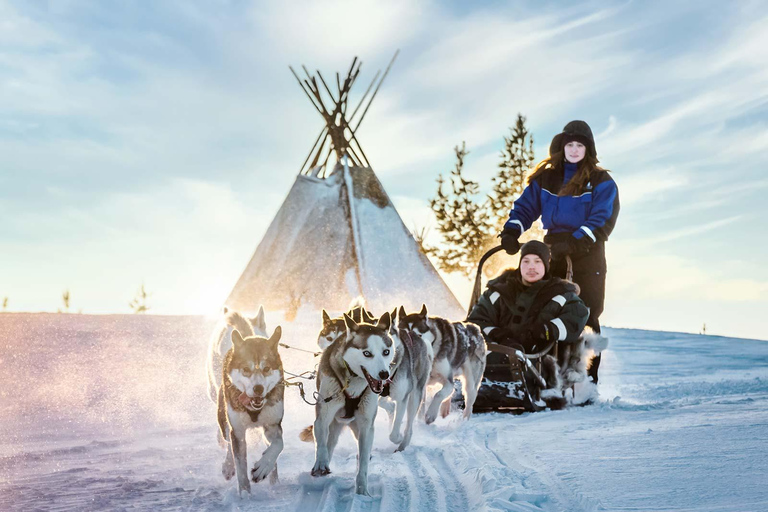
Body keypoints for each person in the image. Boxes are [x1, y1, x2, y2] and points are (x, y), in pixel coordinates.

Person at [498, 120, 619, 383]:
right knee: (544, 308)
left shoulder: (600, 181)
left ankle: (585, 381)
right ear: (561, 147)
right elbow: (526, 207)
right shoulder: (547, 178)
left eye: (580, 145)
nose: (574, 150)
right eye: (570, 144)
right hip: (553, 249)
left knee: (586, 310)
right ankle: (543, 375)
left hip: (588, 250)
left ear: (588, 149)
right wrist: (511, 231)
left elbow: (602, 218)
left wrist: (576, 241)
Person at [467, 241, 589, 409]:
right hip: (495, 353)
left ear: (546, 265)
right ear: (519, 264)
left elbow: (577, 315)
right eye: (526, 261)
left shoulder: (560, 292)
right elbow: (477, 320)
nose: (531, 267)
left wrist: (545, 331)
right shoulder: (499, 291)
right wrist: (499, 336)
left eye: (537, 262)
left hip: (536, 360)